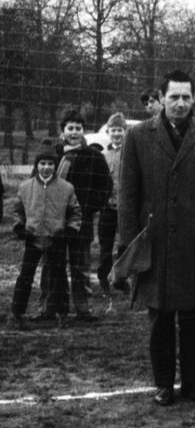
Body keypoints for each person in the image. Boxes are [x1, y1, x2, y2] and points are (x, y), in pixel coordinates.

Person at [119, 70, 195, 406]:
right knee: (161, 320)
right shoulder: (138, 136)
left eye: (186, 97)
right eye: (173, 97)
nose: (180, 103)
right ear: (162, 99)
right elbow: (128, 195)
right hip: (155, 243)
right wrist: (128, 242)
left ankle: (194, 384)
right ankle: (164, 384)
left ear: (193, 99)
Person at [39, 110, 112, 321]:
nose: (74, 132)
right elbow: (37, 182)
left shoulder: (94, 157)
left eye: (78, 128)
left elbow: (105, 187)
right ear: (62, 131)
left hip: (82, 221)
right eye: (70, 128)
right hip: (54, 222)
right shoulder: (52, 155)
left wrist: (87, 207)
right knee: (52, 266)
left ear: (83, 131)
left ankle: (83, 309)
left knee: (80, 267)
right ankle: (49, 308)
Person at [8, 143, 81, 330]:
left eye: (50, 163)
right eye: (42, 163)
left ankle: (62, 313)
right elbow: (17, 210)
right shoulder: (25, 187)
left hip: (56, 239)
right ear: (37, 165)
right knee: (25, 276)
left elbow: (75, 212)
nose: (46, 167)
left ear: (55, 166)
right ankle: (16, 313)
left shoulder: (66, 188)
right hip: (33, 239)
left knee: (59, 277)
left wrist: (70, 231)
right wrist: (20, 228)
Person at [97, 113, 129, 295]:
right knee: (105, 246)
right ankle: (103, 280)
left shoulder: (130, 154)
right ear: (108, 132)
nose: (117, 134)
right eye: (113, 130)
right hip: (107, 209)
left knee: (124, 245)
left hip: (125, 209)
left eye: (120, 130)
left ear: (125, 131)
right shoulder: (103, 155)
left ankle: (121, 279)